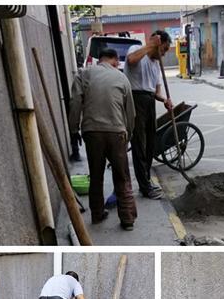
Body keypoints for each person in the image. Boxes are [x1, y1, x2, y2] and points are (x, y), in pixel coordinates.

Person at [69, 48, 137, 231]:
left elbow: (75, 102)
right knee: (122, 176)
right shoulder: (122, 78)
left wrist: (73, 129)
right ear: (114, 60)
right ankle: (128, 219)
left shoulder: (85, 74)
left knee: (96, 176)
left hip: (92, 132)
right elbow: (130, 111)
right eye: (117, 62)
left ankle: (97, 214)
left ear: (100, 60)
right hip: (117, 132)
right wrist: (128, 133)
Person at [124, 30, 173, 200]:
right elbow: (131, 61)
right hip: (135, 100)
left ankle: (146, 180)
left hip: (149, 102)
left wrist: (164, 100)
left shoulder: (156, 65)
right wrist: (150, 44)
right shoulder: (136, 50)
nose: (164, 54)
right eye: (164, 49)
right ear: (156, 43)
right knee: (139, 145)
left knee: (150, 144)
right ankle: (145, 187)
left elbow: (155, 91)